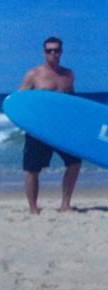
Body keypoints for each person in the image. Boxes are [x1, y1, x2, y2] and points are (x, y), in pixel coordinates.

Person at [19, 36, 82, 214]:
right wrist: (27, 122)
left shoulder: (68, 75)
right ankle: (33, 208)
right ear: (44, 52)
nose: (53, 53)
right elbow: (20, 101)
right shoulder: (33, 75)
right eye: (49, 50)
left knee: (75, 163)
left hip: (62, 129)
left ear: (61, 52)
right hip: (38, 129)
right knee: (32, 170)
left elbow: (73, 102)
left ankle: (65, 204)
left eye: (56, 50)